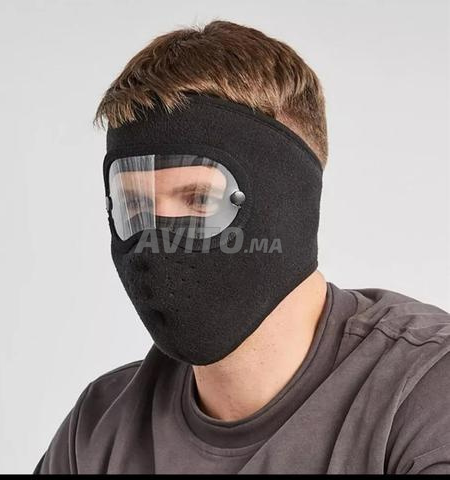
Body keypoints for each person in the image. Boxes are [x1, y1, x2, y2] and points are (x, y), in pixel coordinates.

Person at [34, 20, 450, 474]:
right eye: (135, 205)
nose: (155, 240)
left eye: (198, 199)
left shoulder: (426, 391)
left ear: (287, 203)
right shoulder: (99, 428)